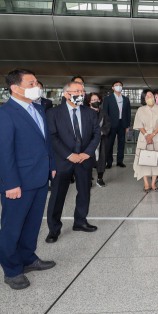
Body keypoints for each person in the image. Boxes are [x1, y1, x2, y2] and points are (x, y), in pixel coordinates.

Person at [0, 69, 57, 290]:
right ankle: (11, 270)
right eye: (31, 83)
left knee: (32, 224)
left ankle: (28, 258)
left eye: (36, 82)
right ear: (15, 88)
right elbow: (4, 154)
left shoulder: (38, 108)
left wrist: (52, 167)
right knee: (12, 227)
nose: (36, 86)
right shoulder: (3, 115)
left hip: (39, 178)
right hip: (18, 182)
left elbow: (46, 143)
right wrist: (11, 184)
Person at [45, 81, 101, 244]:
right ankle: (54, 228)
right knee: (57, 195)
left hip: (84, 159)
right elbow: (52, 137)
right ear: (66, 94)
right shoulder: (53, 113)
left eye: (82, 91)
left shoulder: (90, 112)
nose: (81, 94)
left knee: (84, 191)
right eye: (77, 91)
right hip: (63, 160)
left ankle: (80, 221)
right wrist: (69, 155)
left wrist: (86, 153)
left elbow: (96, 134)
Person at [133, 89, 158, 192]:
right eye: (147, 96)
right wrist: (147, 136)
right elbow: (139, 125)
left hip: (157, 137)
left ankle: (153, 183)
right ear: (144, 98)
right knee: (144, 160)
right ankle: (146, 183)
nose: (149, 97)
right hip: (144, 137)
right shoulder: (140, 110)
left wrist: (152, 135)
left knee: (157, 160)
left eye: (151, 95)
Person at [103, 80, 131, 169]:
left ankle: (120, 161)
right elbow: (105, 113)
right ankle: (109, 162)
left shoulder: (126, 99)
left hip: (122, 123)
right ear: (113, 87)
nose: (118, 86)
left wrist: (127, 125)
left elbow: (128, 113)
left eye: (120, 85)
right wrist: (105, 126)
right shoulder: (108, 99)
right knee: (110, 144)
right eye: (116, 85)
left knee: (121, 143)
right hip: (111, 124)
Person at [85, 92, 110, 187]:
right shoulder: (85, 112)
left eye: (97, 99)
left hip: (102, 139)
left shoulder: (103, 112)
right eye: (93, 100)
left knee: (102, 159)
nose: (96, 101)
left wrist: (102, 132)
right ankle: (88, 179)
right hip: (89, 140)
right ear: (89, 102)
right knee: (88, 160)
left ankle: (100, 179)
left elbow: (108, 124)